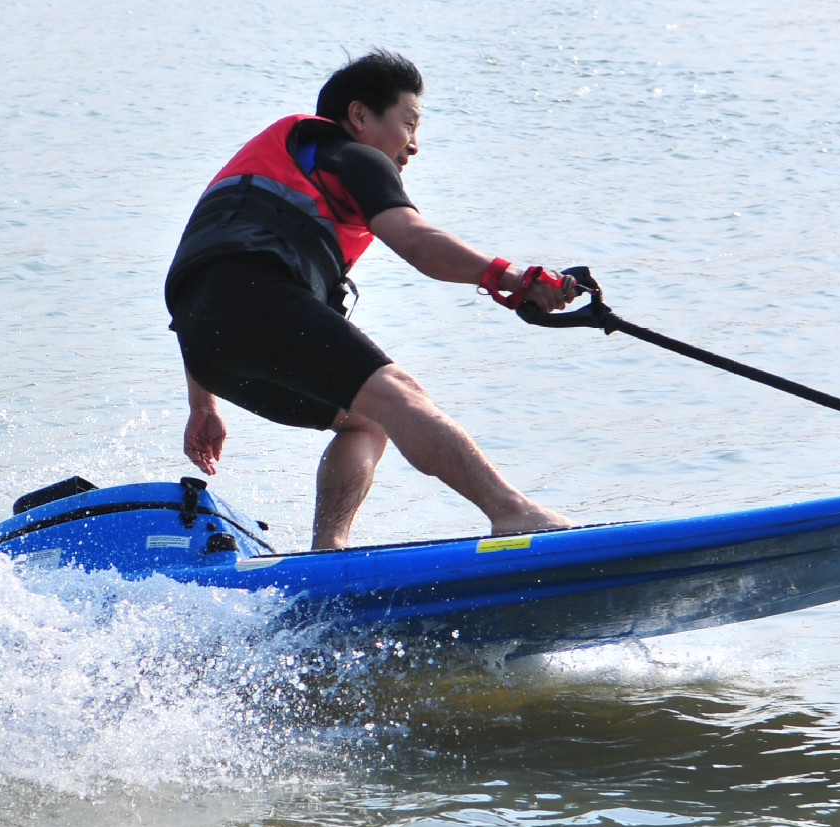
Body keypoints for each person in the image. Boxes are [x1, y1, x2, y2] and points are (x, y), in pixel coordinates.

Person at [164, 50, 581, 550]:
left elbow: (206, 288)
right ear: (360, 116)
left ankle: (328, 555)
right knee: (399, 393)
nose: (414, 146)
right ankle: (515, 513)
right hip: (253, 304)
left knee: (368, 419)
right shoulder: (351, 154)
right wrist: (517, 276)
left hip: (207, 350)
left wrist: (202, 404)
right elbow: (417, 243)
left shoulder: (281, 176)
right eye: (409, 123)